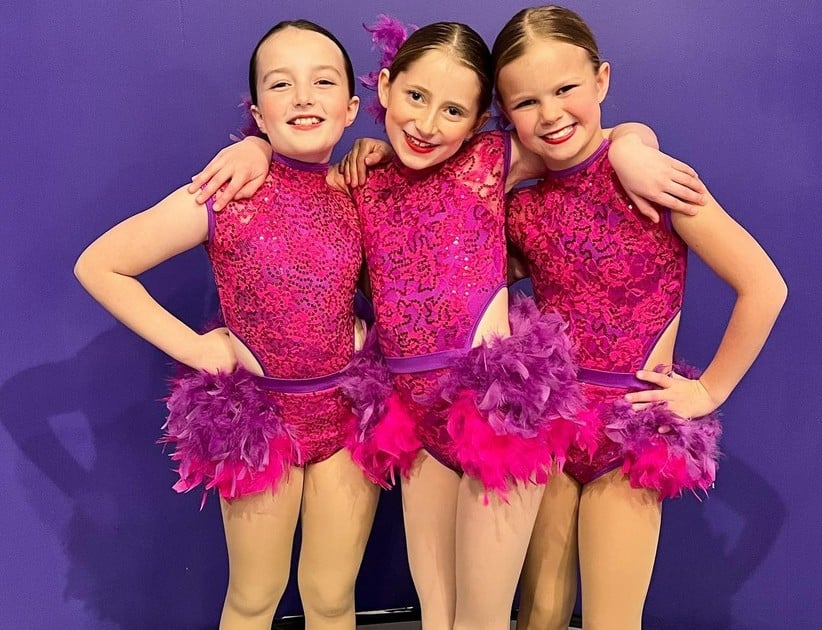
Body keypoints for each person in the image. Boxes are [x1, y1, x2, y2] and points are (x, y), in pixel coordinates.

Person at [189, 18, 708, 630]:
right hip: (413, 416)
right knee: (438, 614)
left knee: (482, 617)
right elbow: (294, 189)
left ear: (482, 119)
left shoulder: (493, 161)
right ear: (382, 89)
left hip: (496, 408)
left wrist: (632, 145)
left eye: (454, 110)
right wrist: (251, 143)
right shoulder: (363, 180)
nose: (429, 124)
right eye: (415, 98)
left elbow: (576, 136)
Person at [75, 20, 381, 630]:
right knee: (254, 596)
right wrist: (194, 348)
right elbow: (101, 264)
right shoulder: (227, 190)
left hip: (347, 415)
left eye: (322, 82)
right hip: (261, 421)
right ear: (258, 113)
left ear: (350, 108)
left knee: (330, 596)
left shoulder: (360, 190)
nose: (302, 96)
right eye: (281, 83)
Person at [491, 6, 788, 629]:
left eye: (566, 89)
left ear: (601, 81)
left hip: (629, 429)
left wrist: (709, 388)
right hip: (550, 426)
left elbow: (763, 286)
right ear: (506, 114)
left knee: (611, 619)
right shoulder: (522, 209)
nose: (550, 114)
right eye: (526, 102)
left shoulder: (654, 183)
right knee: (539, 611)